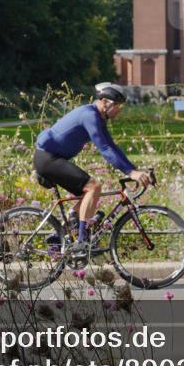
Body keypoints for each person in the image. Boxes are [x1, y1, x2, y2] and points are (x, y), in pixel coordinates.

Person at [34, 83, 151, 253]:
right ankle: (82, 241)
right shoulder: (89, 115)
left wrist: (134, 169)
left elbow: (112, 146)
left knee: (88, 194)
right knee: (93, 187)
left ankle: (61, 233)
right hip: (47, 158)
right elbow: (105, 148)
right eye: (117, 106)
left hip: (52, 158)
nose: (119, 110)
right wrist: (131, 172)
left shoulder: (97, 118)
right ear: (105, 102)